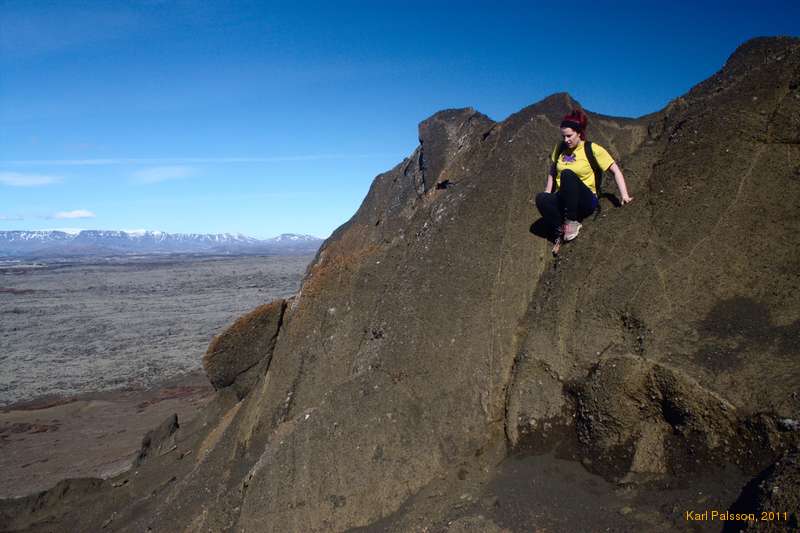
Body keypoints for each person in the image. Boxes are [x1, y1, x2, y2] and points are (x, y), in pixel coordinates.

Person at [535, 109, 633, 242]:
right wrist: (548, 191)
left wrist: (624, 196)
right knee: (541, 198)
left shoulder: (592, 149)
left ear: (579, 133)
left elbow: (615, 170)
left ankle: (572, 222)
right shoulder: (560, 148)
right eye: (563, 136)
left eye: (569, 136)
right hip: (564, 199)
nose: (566, 140)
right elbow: (553, 170)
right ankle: (561, 231)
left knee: (567, 175)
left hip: (586, 200)